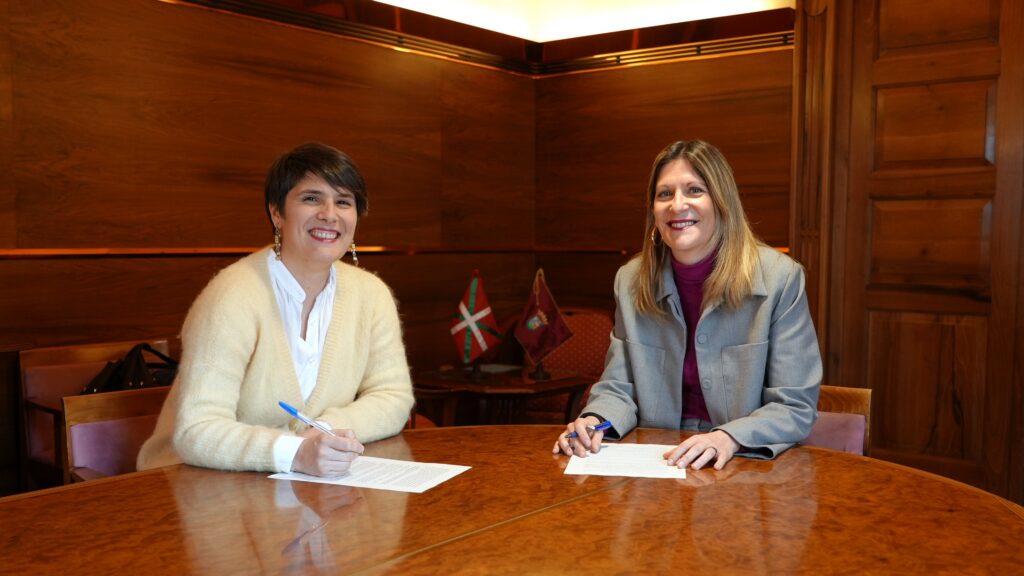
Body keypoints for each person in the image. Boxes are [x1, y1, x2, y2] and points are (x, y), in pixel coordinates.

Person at [138, 142, 414, 476]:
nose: (330, 214)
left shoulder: (372, 294)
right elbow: (197, 430)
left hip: (305, 482)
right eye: (311, 198)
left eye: (344, 201)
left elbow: (393, 396)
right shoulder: (231, 296)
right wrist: (295, 452)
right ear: (276, 213)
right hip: (192, 480)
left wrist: (326, 432)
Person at [552, 139, 822, 470]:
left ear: (722, 202)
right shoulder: (630, 280)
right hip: (657, 463)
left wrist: (728, 437)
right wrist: (595, 420)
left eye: (694, 190)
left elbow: (795, 405)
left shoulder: (781, 277)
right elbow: (619, 387)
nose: (677, 205)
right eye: (664, 194)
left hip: (743, 462)